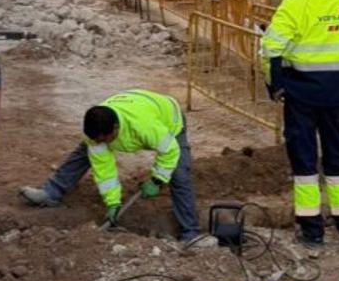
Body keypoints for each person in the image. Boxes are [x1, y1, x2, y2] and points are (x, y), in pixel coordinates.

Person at [260, 0, 339, 249]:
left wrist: (275, 86)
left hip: (301, 95)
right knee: (337, 161)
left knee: (304, 163)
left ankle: (312, 231)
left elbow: (270, 49)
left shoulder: (294, 3)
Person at [19, 90, 202, 242]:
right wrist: (113, 203)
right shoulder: (95, 136)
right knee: (85, 151)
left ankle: (190, 233)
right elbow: (104, 171)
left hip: (169, 118)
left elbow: (169, 150)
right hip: (135, 106)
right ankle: (51, 192)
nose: (101, 143)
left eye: (104, 139)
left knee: (179, 174)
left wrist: (157, 180)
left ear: (115, 128)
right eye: (97, 140)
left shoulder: (143, 126)